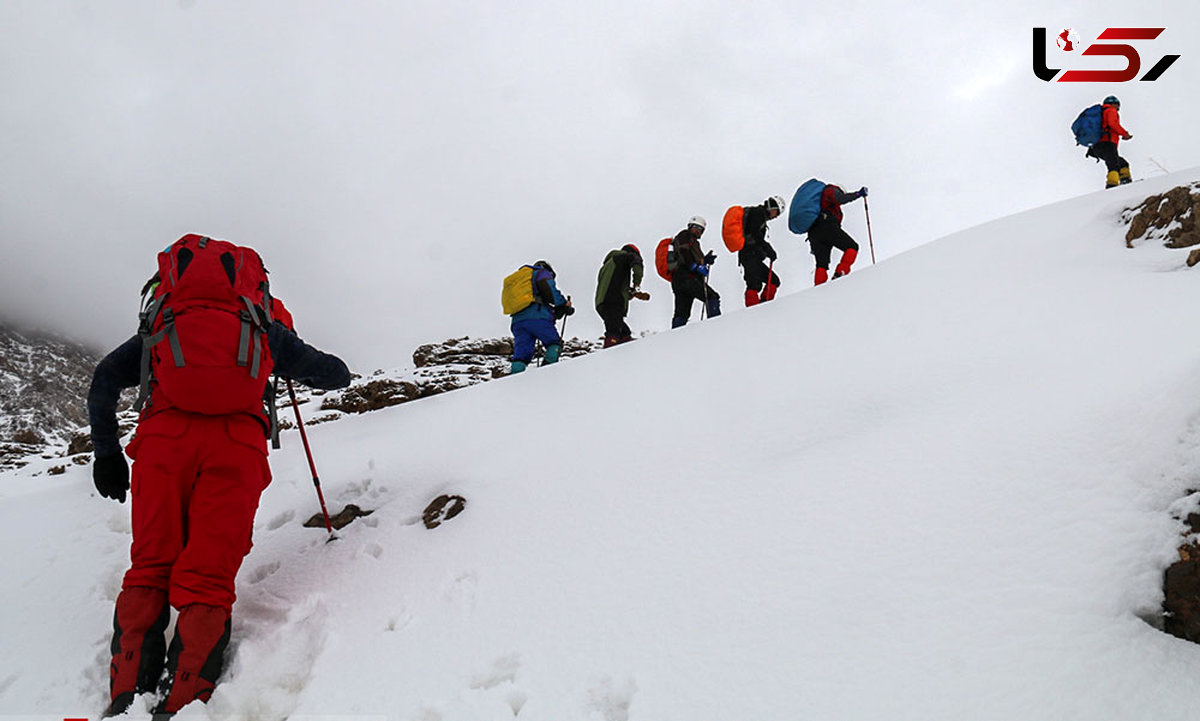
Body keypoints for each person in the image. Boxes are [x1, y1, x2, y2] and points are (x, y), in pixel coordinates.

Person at [89, 235, 351, 718]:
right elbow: (337, 375)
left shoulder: (160, 322)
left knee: (150, 565)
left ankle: (126, 695)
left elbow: (105, 377)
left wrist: (107, 453)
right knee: (208, 575)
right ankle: (183, 699)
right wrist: (280, 356)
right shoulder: (260, 326)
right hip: (235, 448)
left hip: (162, 443)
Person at [509, 260, 573, 373]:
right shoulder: (541, 272)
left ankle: (515, 381)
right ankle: (547, 374)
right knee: (554, 343)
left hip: (517, 320)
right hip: (538, 318)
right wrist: (564, 303)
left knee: (521, 355)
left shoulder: (521, 281)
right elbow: (551, 292)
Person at [808, 184, 867, 285]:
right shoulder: (831, 190)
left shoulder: (822, 203)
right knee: (852, 247)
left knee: (821, 264)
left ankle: (819, 288)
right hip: (827, 227)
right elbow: (840, 198)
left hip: (814, 233)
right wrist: (858, 194)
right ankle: (840, 273)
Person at [595, 244, 649, 347]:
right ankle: (610, 358)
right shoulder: (622, 257)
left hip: (602, 303)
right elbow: (636, 261)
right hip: (613, 302)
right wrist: (637, 283)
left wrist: (630, 294)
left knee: (624, 333)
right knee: (614, 333)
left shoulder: (608, 265)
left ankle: (624, 358)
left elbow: (614, 285)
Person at [670, 216, 720, 328]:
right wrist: (695, 267)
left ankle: (675, 338)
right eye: (696, 227)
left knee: (682, 313)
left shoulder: (693, 242)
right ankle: (717, 327)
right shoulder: (685, 235)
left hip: (679, 280)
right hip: (688, 277)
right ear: (690, 226)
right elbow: (684, 253)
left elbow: (690, 257)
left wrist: (705, 260)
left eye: (700, 229)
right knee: (712, 297)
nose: (698, 230)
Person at [738, 196, 784, 306]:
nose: (776, 216)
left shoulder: (759, 215)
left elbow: (755, 236)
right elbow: (755, 234)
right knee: (754, 284)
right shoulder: (758, 213)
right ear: (772, 208)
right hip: (749, 255)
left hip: (750, 255)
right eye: (776, 212)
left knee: (771, 281)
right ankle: (757, 311)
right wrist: (767, 248)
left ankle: (762, 307)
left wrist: (765, 250)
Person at [1087, 95, 1133, 188]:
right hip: (1107, 142)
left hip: (1096, 146)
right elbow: (1113, 124)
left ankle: (1125, 180)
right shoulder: (1110, 110)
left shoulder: (1100, 114)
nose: (1118, 108)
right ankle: (1112, 185)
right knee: (1113, 165)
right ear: (1114, 104)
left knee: (1122, 163)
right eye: (1117, 106)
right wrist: (1124, 134)